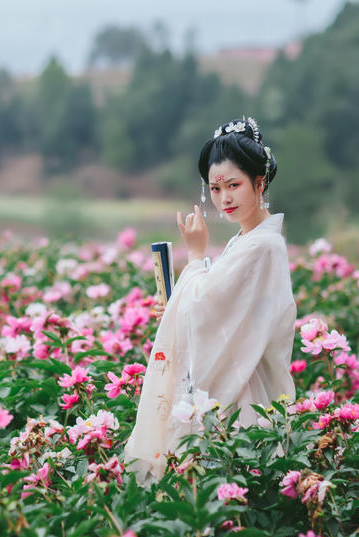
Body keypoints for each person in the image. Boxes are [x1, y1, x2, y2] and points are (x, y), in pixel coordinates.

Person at [124, 117, 296, 481]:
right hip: (231, 385)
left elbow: (206, 310)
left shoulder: (262, 246)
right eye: (215, 189)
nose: (224, 199)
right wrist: (175, 306)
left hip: (243, 392)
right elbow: (212, 313)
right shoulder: (245, 241)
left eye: (234, 185)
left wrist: (195, 255)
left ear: (259, 182)